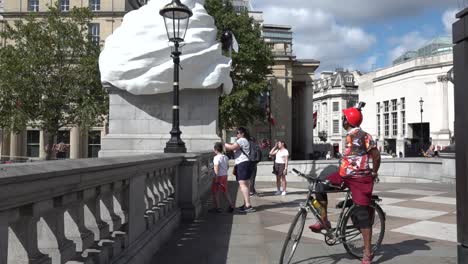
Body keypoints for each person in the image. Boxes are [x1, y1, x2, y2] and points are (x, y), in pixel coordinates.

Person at [308, 102, 381, 264]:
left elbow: (376, 155)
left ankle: (368, 252)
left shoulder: (365, 136)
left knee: (362, 214)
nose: (342, 120)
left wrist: (374, 172)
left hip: (360, 179)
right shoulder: (349, 135)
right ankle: (324, 220)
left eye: (343, 118)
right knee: (319, 186)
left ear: (348, 121)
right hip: (343, 176)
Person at [224, 127, 255, 213]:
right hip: (246, 163)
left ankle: (248, 205)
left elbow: (232, 147)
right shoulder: (246, 140)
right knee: (246, 184)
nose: (236, 135)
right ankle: (246, 204)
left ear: (242, 134)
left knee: (242, 184)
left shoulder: (241, 140)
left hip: (242, 163)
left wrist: (224, 143)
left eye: (237, 133)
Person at [209, 142, 235, 213]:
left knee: (215, 192)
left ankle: (218, 208)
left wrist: (216, 177)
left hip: (218, 176)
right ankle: (231, 205)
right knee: (225, 191)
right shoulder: (225, 157)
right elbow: (227, 166)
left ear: (216, 150)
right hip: (225, 175)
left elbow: (216, 168)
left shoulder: (216, 157)